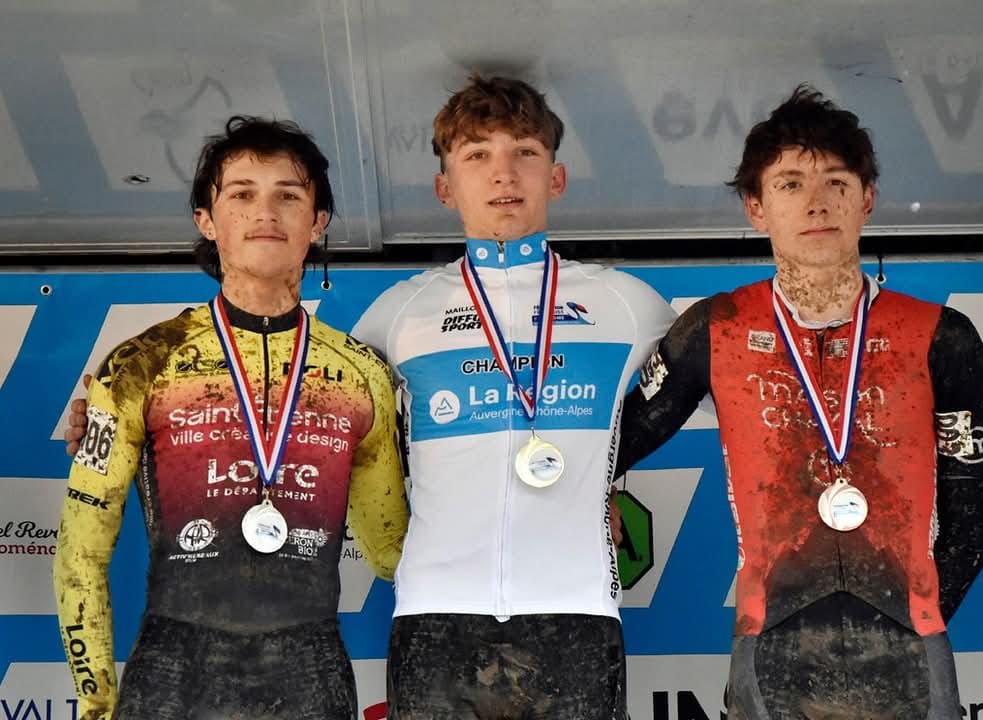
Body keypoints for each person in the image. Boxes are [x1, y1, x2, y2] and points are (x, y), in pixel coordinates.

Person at [615, 85, 983, 719]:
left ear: (867, 199)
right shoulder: (716, 328)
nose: (816, 203)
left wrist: (911, 621)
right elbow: (611, 447)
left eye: (836, 183)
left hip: (911, 646)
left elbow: (971, 528)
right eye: (790, 184)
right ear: (756, 208)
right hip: (770, 642)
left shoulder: (941, 335)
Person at [55, 116, 408, 720]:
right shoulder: (139, 364)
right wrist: (96, 703)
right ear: (206, 220)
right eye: (242, 194)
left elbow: (390, 551)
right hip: (174, 669)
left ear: (318, 221)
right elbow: (80, 551)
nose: (264, 212)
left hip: (311, 668)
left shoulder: (363, 373)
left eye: (288, 196)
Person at [349, 74, 676, 719]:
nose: (504, 173)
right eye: (477, 155)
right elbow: (334, 424)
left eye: (525, 152)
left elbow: (728, 392)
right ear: (445, 188)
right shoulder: (400, 312)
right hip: (435, 612)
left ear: (557, 178)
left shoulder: (625, 304)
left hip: (577, 609)